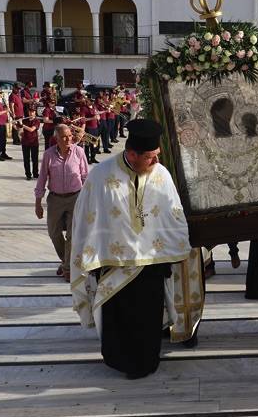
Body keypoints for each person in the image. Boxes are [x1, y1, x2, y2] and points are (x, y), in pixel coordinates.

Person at [71, 118, 192, 379]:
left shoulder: (161, 175)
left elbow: (174, 214)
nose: (156, 162)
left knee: (147, 317)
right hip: (115, 265)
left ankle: (147, 362)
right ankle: (120, 360)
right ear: (132, 154)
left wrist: (172, 251)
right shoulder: (101, 176)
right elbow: (85, 219)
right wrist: (93, 257)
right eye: (150, 157)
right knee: (120, 318)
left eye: (157, 155)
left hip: (151, 264)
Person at [35, 124, 89, 282]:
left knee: (73, 235)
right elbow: (42, 178)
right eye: (64, 137)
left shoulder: (79, 152)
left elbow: (85, 176)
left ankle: (68, 269)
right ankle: (67, 260)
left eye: (70, 136)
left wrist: (89, 200)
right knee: (53, 232)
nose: (68, 139)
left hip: (76, 198)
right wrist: (38, 203)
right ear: (56, 139)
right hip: (55, 199)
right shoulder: (48, 155)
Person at [19, 108, 41, 180]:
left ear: (35, 113)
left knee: (35, 159)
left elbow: (31, 129)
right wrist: (16, 124)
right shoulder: (25, 120)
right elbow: (18, 128)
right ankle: (28, 175)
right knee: (26, 159)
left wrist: (23, 125)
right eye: (30, 112)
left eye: (33, 112)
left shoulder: (37, 121)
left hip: (34, 142)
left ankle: (35, 174)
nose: (31, 113)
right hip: (25, 142)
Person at [80, 98, 100, 164]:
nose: (92, 102)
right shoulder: (84, 108)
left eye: (93, 101)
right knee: (87, 145)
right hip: (88, 128)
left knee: (94, 144)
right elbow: (82, 119)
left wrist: (98, 117)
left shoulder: (94, 107)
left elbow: (98, 115)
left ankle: (93, 158)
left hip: (95, 128)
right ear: (87, 101)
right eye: (90, 100)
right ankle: (87, 159)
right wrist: (92, 118)